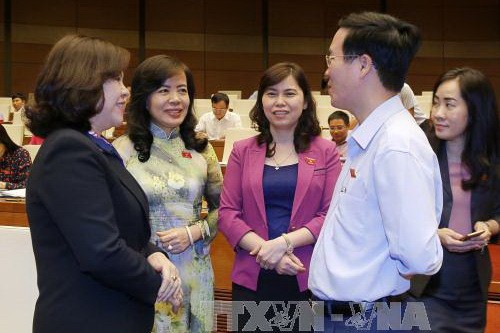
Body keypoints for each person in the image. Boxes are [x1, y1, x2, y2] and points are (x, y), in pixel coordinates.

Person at [25, 35, 182, 333]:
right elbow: (101, 252)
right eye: (117, 80)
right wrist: (162, 285)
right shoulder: (69, 151)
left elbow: (120, 229)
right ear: (85, 82)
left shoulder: (91, 146)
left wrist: (153, 253)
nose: (126, 92)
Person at [309, 12, 443, 332]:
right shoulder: (374, 137)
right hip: (349, 316)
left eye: (332, 57)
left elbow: (419, 256)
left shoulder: (395, 144)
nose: (326, 71)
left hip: (366, 319)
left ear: (364, 65)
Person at [219, 62, 341, 332]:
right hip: (252, 274)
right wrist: (267, 253)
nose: (280, 102)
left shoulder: (326, 151)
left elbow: (331, 214)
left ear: (306, 101)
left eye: (289, 93)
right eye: (271, 93)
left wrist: (283, 244)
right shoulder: (242, 150)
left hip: (305, 274)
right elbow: (228, 213)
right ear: (261, 100)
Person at [113, 54, 223, 333]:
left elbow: (225, 209)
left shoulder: (201, 149)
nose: (175, 99)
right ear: (144, 98)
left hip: (195, 272)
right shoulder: (122, 150)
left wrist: (195, 232)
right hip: (144, 272)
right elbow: (112, 220)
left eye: (182, 90)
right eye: (163, 90)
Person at [410, 67, 499, 332]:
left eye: (449, 104)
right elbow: (393, 215)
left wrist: (489, 227)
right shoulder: (418, 154)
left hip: (472, 290)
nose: (437, 113)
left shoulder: (492, 160)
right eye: (436, 102)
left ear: (475, 110)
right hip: (423, 288)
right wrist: (434, 234)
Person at [0, 124, 31, 189]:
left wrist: (4, 185)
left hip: (15, 197)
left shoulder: (20, 154)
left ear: (3, 141)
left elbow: (27, 185)